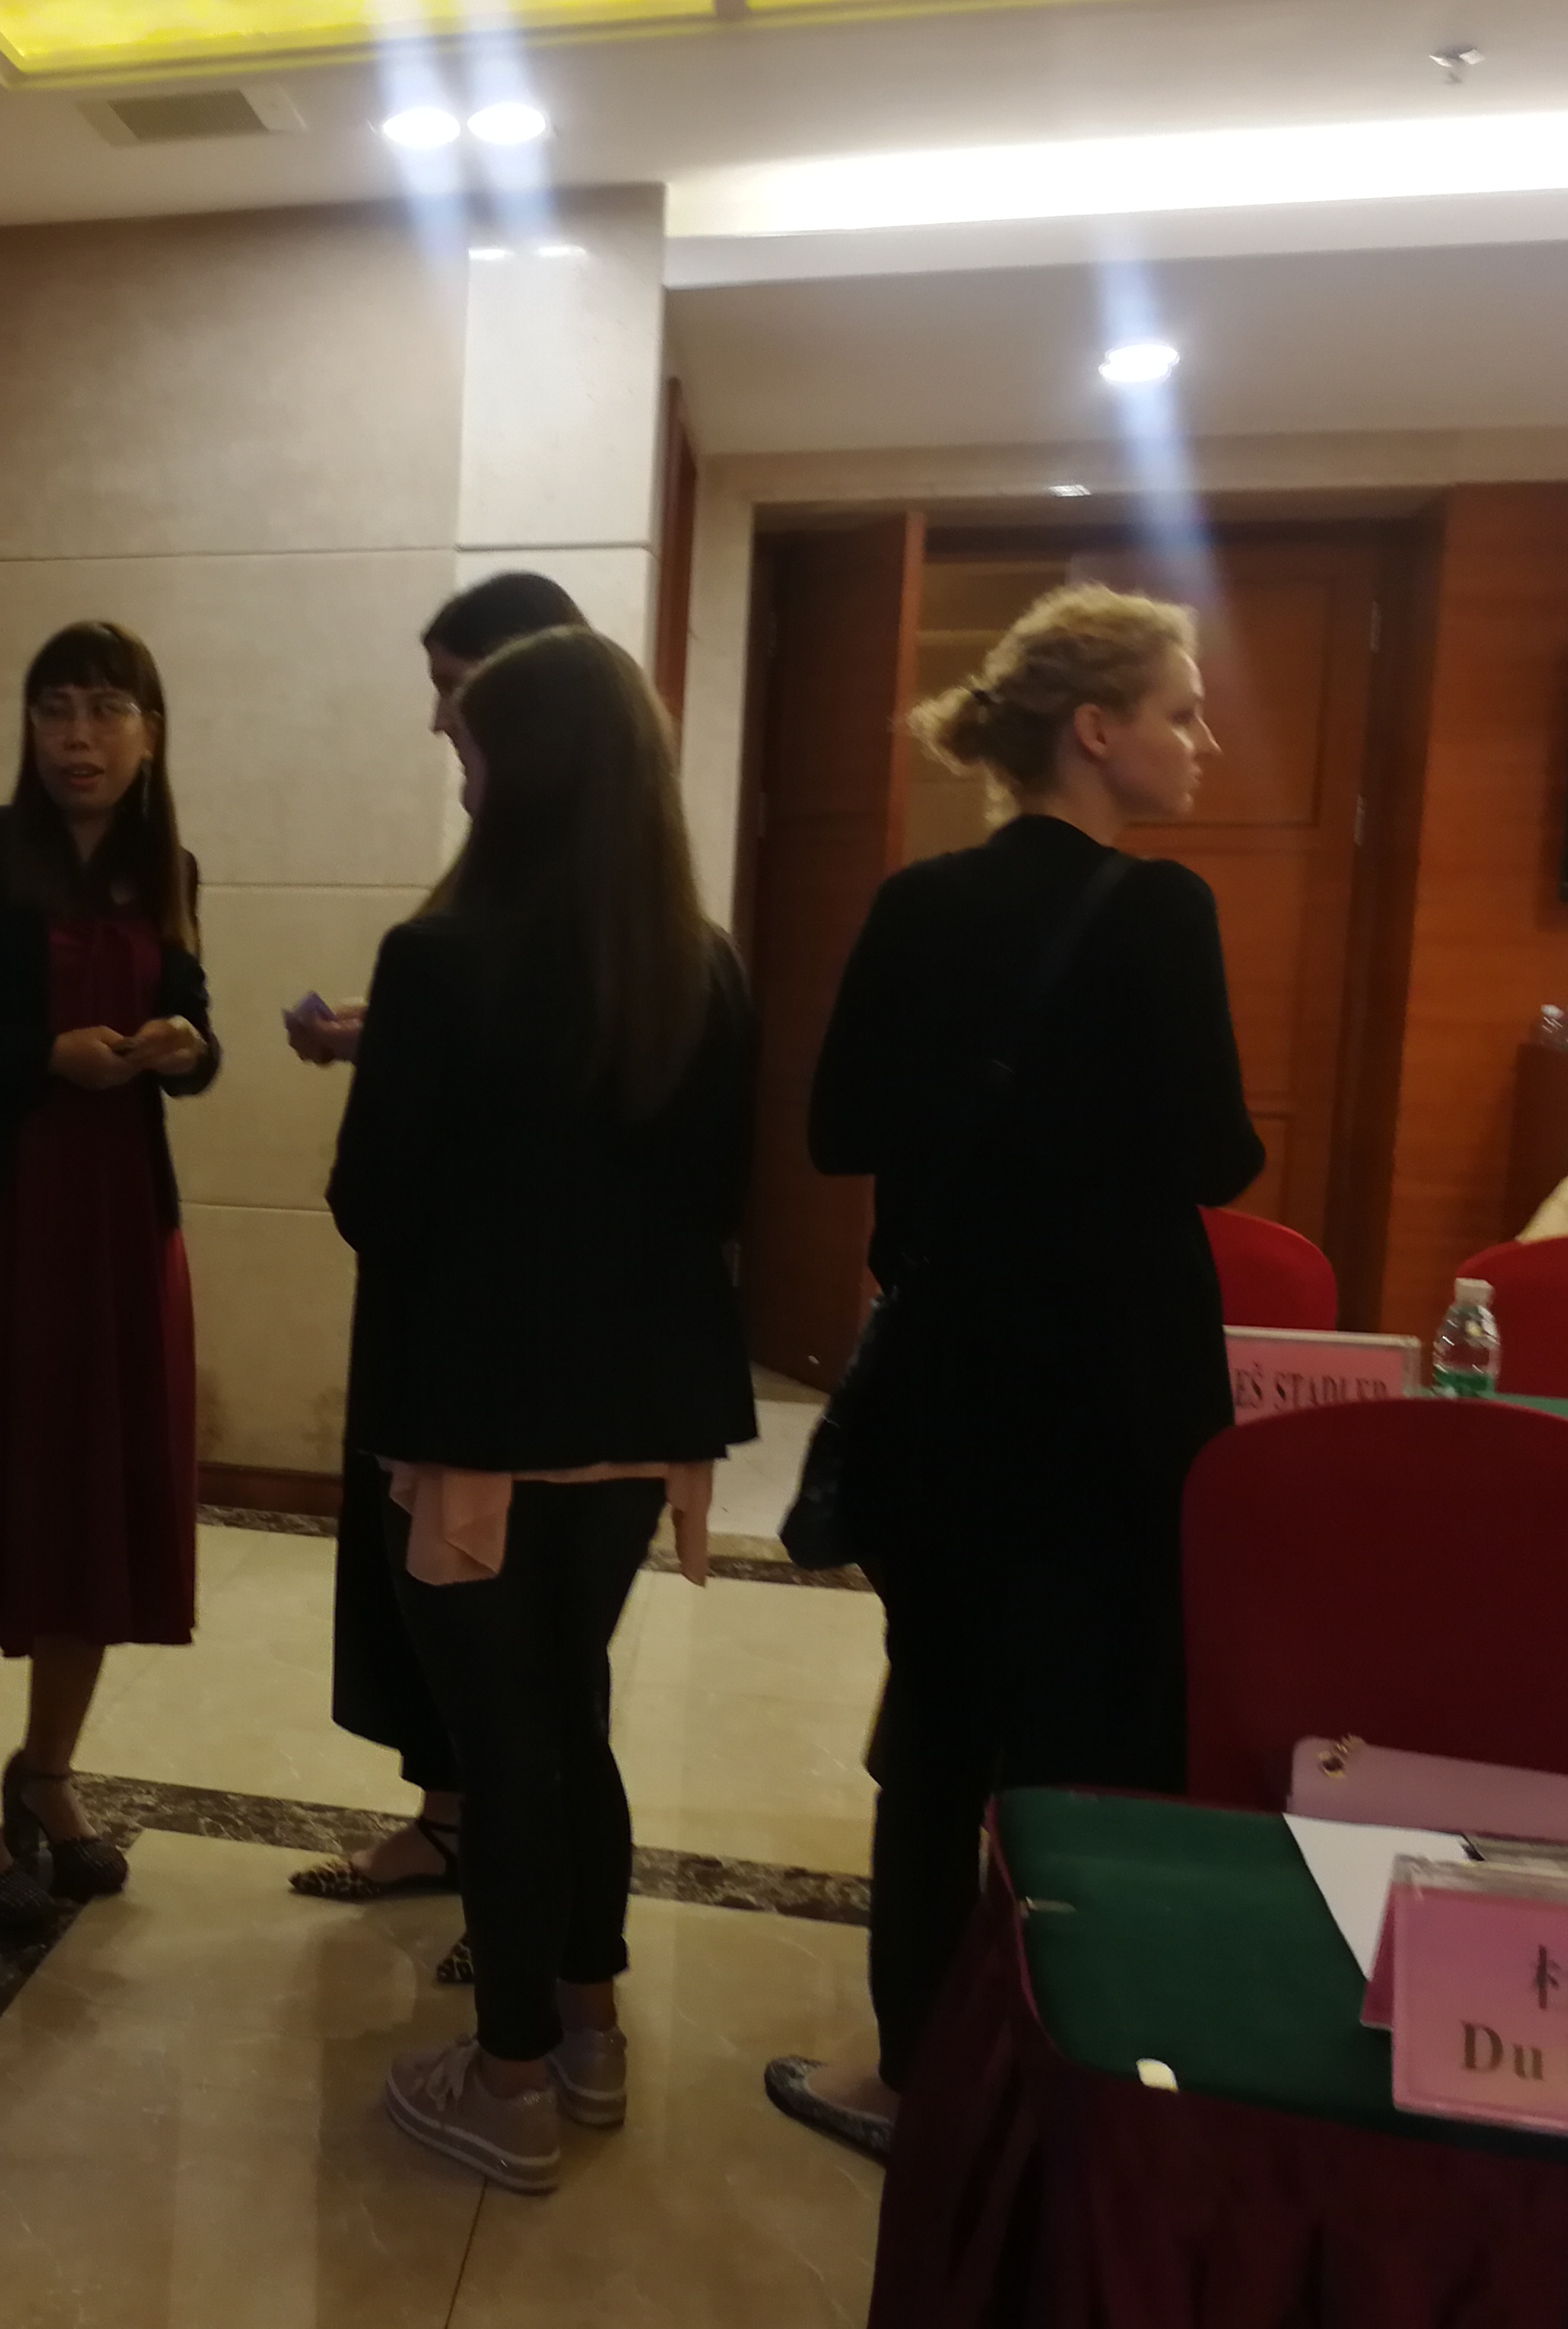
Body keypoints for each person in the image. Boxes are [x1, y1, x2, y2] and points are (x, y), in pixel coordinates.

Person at [764, 584, 1262, 2161]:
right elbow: (1217, 1155)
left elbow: (837, 1130)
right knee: (1099, 1736)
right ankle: (1079, 2095)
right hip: (1119, 1390)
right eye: (1181, 710)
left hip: (954, 1383)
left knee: (937, 1730)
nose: (1204, 739)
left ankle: (911, 2081)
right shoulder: (1161, 911)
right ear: (1094, 730)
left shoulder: (918, 905)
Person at [328, 626, 756, 2195]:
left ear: (524, 770)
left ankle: (507, 2081)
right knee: (570, 1715)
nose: (461, 785)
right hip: (644, 1410)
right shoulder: (700, 959)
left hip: (480, 1418)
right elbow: (718, 1198)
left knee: (501, 1746)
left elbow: (371, 1202)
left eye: (470, 754)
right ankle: (590, 2031)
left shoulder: (439, 960)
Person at [284, 572, 588, 1971]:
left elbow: (515, 1106)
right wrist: (387, 1035)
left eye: (456, 692)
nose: (435, 723)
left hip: (495, 1323)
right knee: (444, 1602)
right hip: (480, 1311)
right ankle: (457, 1827)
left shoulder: (587, 896)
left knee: (511, 1639)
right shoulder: (522, 883)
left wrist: (402, 1044)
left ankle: (519, 1906)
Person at [0, 621, 218, 1936]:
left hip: (119, 1231)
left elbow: (198, 1033)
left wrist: (185, 1042)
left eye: (104, 710)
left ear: (150, 731)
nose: (78, 738)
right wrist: (45, 1055)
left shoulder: (168, 868)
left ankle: (47, 1774)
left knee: (96, 1494)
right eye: (55, 710)